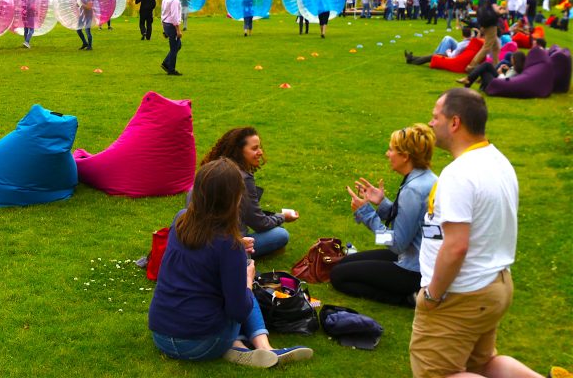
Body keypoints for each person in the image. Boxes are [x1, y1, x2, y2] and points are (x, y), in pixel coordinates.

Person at [410, 88, 541, 378]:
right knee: (482, 364)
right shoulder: (497, 160)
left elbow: (456, 246)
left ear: (454, 123)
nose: (431, 123)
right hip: (494, 284)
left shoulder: (460, 174)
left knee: (437, 373)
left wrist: (432, 295)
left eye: (436, 117)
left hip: (462, 294)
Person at [149, 158, 313, 368]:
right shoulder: (229, 246)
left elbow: (203, 249)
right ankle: (263, 347)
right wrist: (246, 279)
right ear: (235, 199)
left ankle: (240, 347)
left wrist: (234, 248)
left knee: (218, 289)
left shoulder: (181, 220)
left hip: (162, 335)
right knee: (244, 289)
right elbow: (238, 311)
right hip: (201, 343)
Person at [331, 124, 437, 306]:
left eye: (391, 150)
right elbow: (414, 223)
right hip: (420, 258)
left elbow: (395, 245)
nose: (387, 154)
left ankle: (408, 298)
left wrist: (366, 213)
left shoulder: (413, 190)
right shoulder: (428, 178)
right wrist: (383, 203)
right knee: (343, 263)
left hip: (415, 270)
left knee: (338, 276)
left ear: (405, 156)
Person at [200, 127, 295, 257]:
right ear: (239, 151)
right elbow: (259, 223)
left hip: (199, 239)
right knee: (280, 234)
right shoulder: (242, 178)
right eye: (254, 148)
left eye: (259, 147)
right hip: (228, 244)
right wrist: (283, 217)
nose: (260, 152)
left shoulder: (210, 169)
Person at [466, 0, 502, 72]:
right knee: (487, 47)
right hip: (491, 24)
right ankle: (471, 66)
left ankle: (496, 66)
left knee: (496, 47)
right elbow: (496, 10)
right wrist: (502, 10)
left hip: (484, 23)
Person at [405, 27, 477, 65]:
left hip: (452, 57)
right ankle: (411, 58)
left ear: (462, 35)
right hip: (460, 54)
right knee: (447, 38)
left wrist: (448, 52)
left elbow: (453, 56)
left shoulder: (462, 44)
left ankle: (412, 61)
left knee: (431, 57)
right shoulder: (472, 42)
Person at [458, 51, 525, 90]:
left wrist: (500, 73)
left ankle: (468, 81)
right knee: (486, 65)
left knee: (484, 69)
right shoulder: (518, 68)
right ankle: (469, 81)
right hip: (499, 83)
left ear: (516, 60)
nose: (511, 60)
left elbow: (505, 81)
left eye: (512, 58)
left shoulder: (515, 70)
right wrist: (508, 69)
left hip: (499, 85)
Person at [160, 0, 183, 75]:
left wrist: (164, 29)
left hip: (166, 24)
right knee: (174, 48)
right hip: (171, 25)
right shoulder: (174, 0)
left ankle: (166, 63)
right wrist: (178, 30)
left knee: (178, 45)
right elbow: (174, 16)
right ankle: (171, 69)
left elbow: (163, 13)